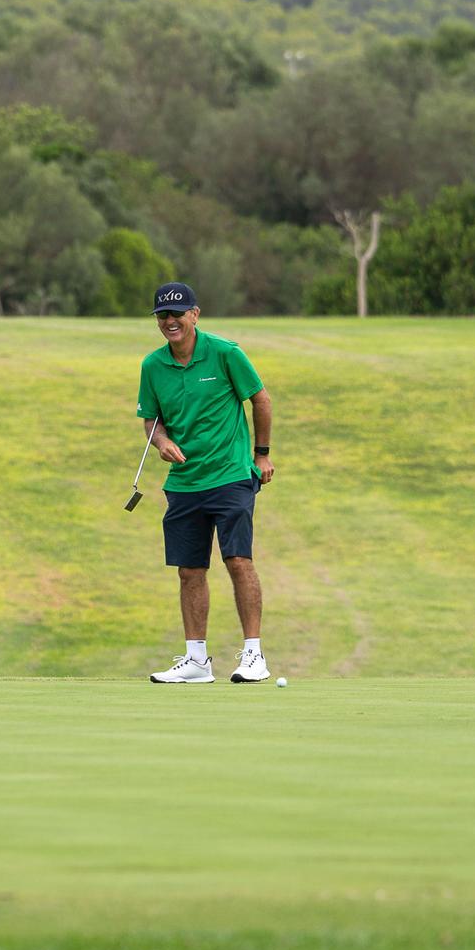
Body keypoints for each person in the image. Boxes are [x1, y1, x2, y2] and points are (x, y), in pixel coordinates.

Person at [136, 282, 277, 684]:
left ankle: (254, 654)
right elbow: (152, 418)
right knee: (189, 570)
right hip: (184, 482)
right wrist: (161, 441)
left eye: (177, 313)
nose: (170, 321)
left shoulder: (225, 353)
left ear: (195, 315)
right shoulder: (152, 366)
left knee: (237, 560)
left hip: (230, 474)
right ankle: (196, 660)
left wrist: (261, 455)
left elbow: (261, 399)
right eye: (163, 315)